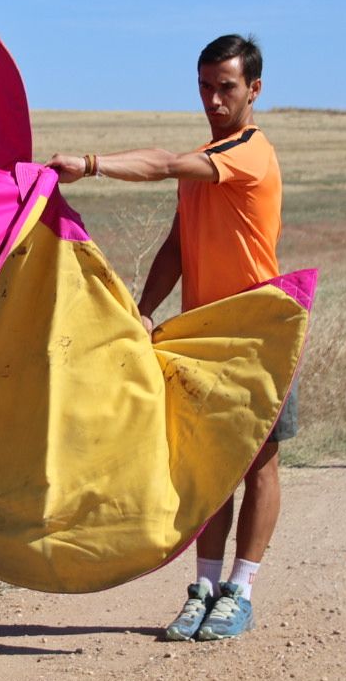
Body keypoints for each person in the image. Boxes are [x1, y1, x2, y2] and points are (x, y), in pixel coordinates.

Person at [46, 33, 293, 643]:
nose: (213, 98)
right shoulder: (209, 156)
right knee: (206, 465)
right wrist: (142, 309)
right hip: (202, 334)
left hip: (256, 332)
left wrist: (93, 164)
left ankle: (242, 589)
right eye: (205, 86)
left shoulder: (248, 154)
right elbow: (180, 247)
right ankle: (204, 588)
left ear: (254, 90)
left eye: (225, 87)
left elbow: (162, 165)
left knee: (257, 462)